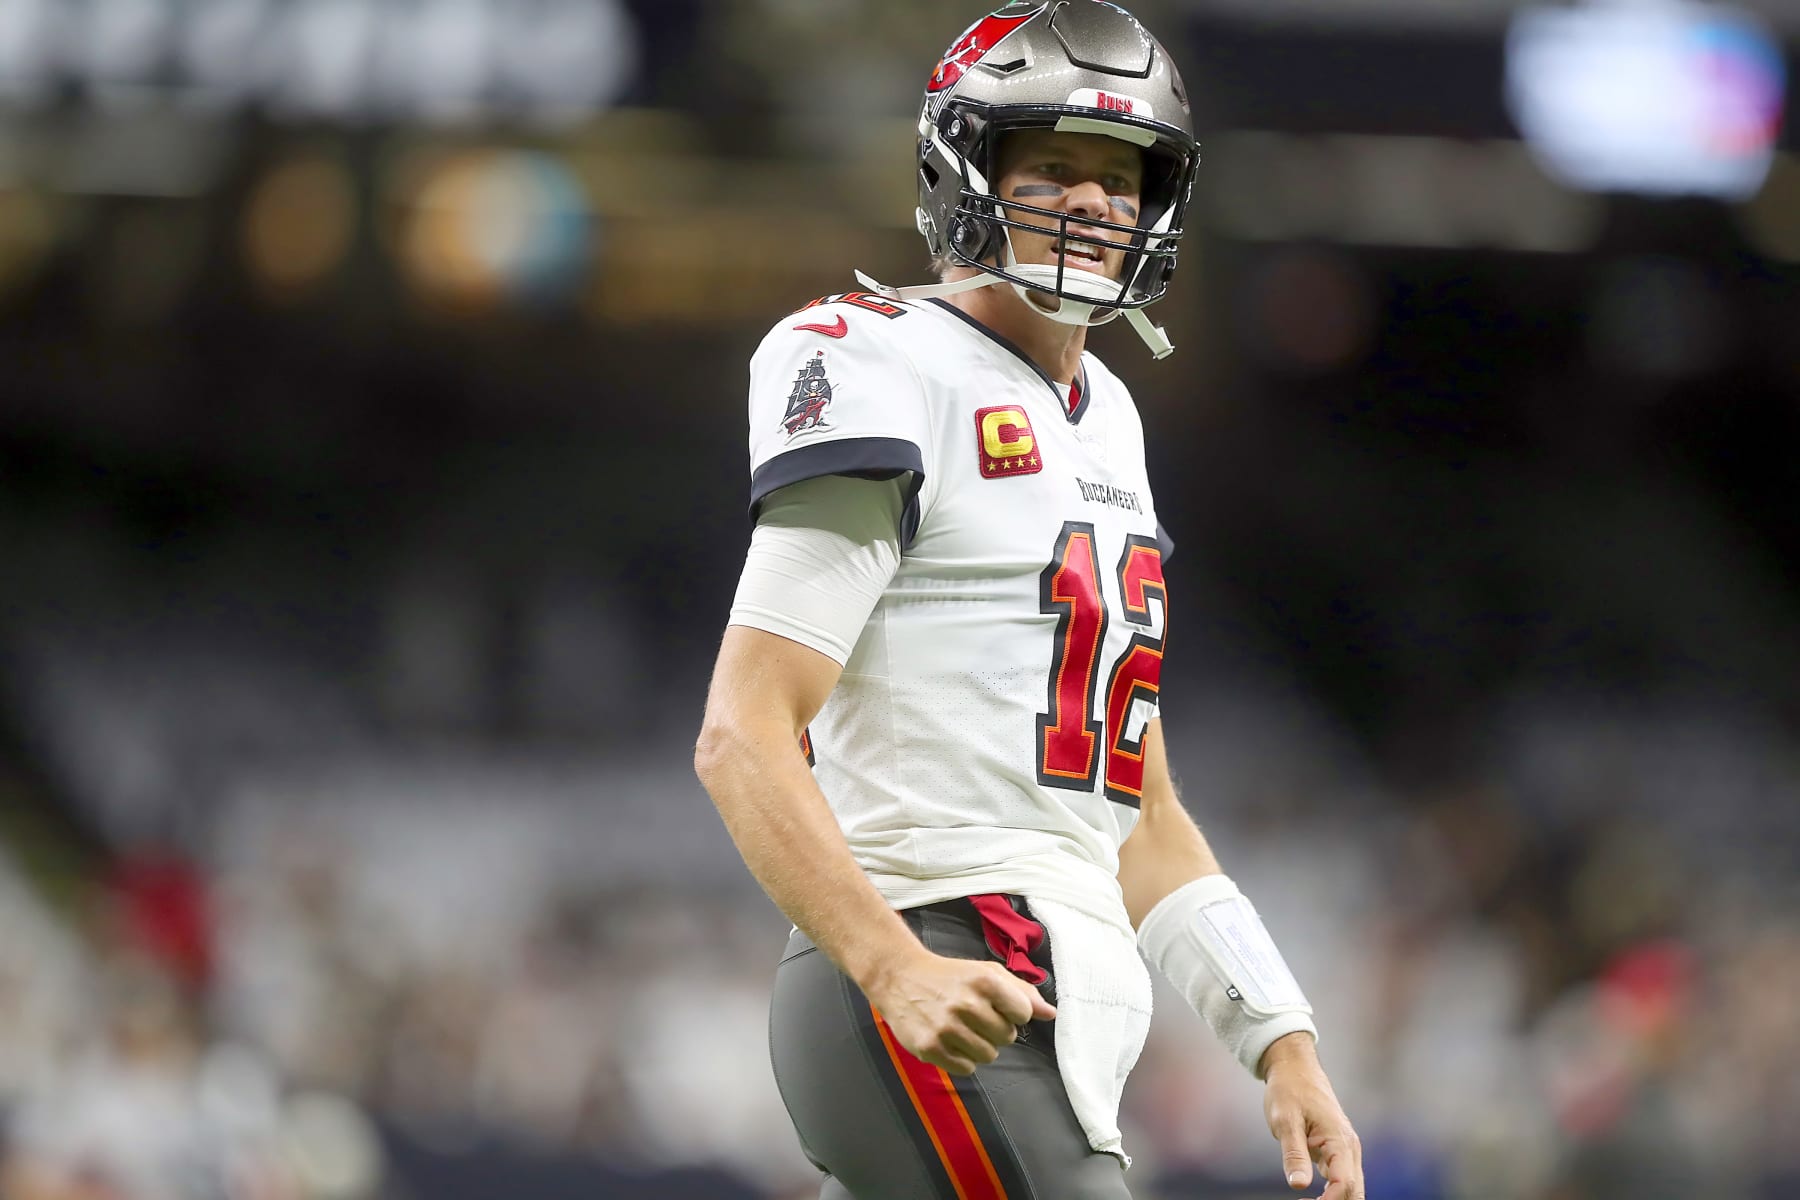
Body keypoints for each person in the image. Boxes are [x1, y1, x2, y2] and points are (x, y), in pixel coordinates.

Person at [694, 4, 1364, 1197]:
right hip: (944, 955)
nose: (1099, 202)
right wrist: (890, 965)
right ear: (967, 167)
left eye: (1123, 176)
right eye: (1057, 164)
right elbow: (743, 732)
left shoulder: (1109, 413)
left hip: (1048, 1002)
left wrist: (1280, 1036)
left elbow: (1139, 814)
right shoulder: (872, 356)